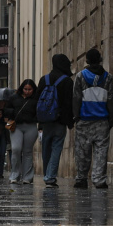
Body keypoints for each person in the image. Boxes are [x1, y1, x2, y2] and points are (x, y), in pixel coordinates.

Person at [72, 48, 113, 189]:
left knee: (82, 151)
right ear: (100, 60)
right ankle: (99, 179)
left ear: (87, 61)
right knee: (101, 152)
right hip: (102, 120)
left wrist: (76, 116)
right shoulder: (108, 78)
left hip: (84, 119)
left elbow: (76, 98)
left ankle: (81, 178)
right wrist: (111, 118)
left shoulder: (80, 76)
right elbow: (111, 100)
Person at [36, 54, 75, 187]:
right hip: (60, 120)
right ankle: (50, 176)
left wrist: (39, 122)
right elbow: (69, 103)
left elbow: (38, 101)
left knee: (46, 148)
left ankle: (48, 173)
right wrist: (70, 121)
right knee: (57, 148)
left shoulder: (44, 79)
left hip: (46, 121)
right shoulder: (67, 81)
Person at [4, 79, 38, 184]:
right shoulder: (14, 98)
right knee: (16, 149)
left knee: (27, 151)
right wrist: (9, 118)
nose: (27, 91)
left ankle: (27, 177)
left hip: (31, 126)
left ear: (33, 89)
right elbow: (7, 110)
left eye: (30, 89)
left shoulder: (36, 98)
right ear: (21, 88)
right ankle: (15, 174)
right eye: (25, 89)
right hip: (16, 126)